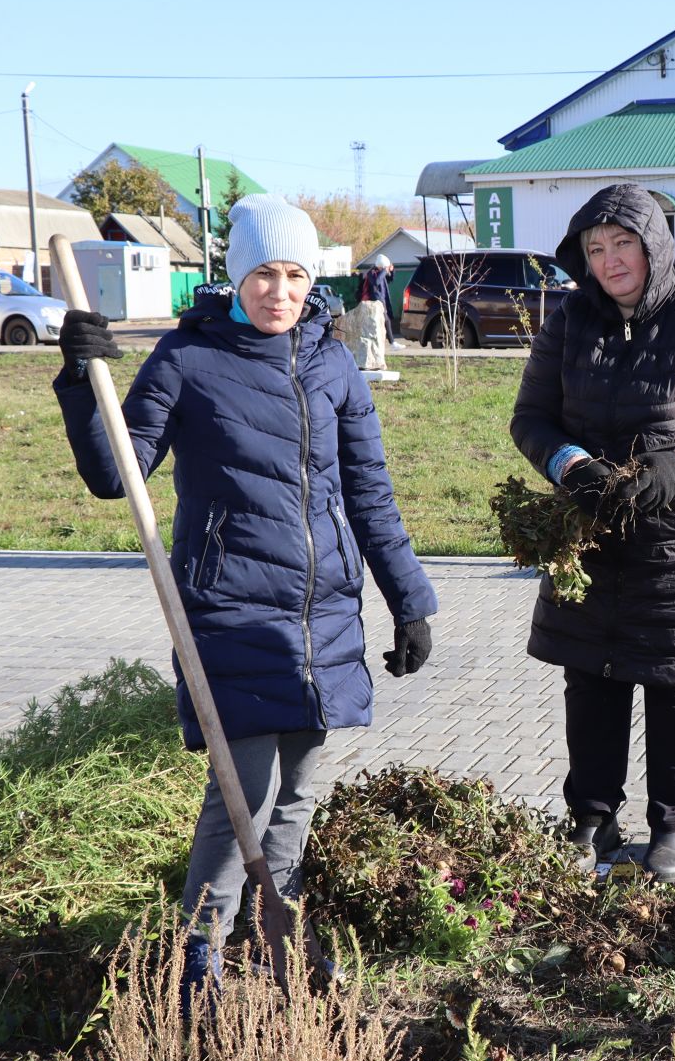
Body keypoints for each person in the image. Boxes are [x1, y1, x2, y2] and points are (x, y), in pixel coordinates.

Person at [54, 193, 439, 992]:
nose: (281, 291)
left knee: (297, 789)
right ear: (236, 275)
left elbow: (370, 491)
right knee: (244, 796)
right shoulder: (188, 358)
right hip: (229, 605)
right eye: (265, 272)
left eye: (297, 275)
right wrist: (79, 380)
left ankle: (278, 927)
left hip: (323, 611)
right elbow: (111, 474)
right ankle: (199, 947)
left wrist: (409, 597)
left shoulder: (330, 360)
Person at [511, 184, 675, 882]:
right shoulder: (568, 323)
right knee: (590, 679)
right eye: (595, 249)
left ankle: (672, 829)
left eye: (622, 243)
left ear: (653, 245)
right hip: (591, 538)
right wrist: (571, 466)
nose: (610, 260)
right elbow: (531, 419)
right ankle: (590, 820)